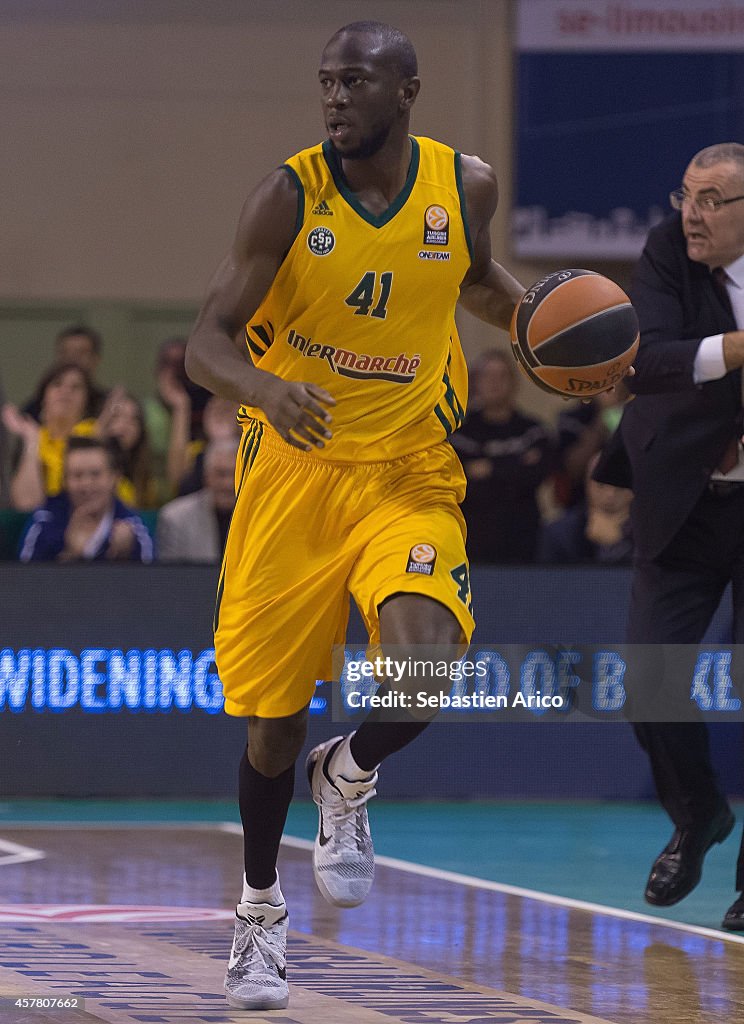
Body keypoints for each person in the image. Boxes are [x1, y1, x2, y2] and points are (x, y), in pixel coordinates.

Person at [185, 21, 524, 1010]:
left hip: (407, 469)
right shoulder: (286, 196)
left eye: (356, 82)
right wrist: (261, 388)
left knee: (427, 665)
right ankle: (258, 913)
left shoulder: (464, 187)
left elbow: (474, 281)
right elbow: (205, 340)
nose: (336, 98)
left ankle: (353, 772)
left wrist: (541, 322)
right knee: (268, 732)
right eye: (326, 82)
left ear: (407, 92)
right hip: (292, 476)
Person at [595, 142, 744, 929]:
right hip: (683, 492)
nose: (693, 213)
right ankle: (698, 816)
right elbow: (646, 359)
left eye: (714, 200)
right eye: (686, 195)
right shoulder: (665, 251)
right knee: (649, 679)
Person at [451, 349, 553, 563]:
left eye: (501, 376)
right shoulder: (460, 433)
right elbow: (459, 481)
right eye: (487, 376)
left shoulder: (533, 431)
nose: (494, 383)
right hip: (472, 541)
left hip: (524, 539)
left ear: (515, 383)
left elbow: (536, 476)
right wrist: (514, 464)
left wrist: (488, 468)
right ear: (475, 382)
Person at [19, 436, 153, 563]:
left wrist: (125, 557)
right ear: (65, 481)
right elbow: (25, 583)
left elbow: (152, 584)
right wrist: (71, 554)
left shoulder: (134, 528)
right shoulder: (44, 523)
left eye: (96, 474)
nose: (86, 484)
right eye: (77, 475)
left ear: (114, 478)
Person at [3, 362, 98, 511]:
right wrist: (32, 443)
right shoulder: (30, 436)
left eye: (76, 387)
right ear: (43, 398)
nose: (66, 391)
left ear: (87, 401)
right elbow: (28, 504)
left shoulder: (96, 437)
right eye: (57, 384)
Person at [539, 454, 633, 564]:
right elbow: (547, 578)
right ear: (587, 485)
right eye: (601, 485)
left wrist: (621, 541)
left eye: (619, 486)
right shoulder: (560, 532)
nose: (610, 494)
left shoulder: (650, 532)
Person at [156, 438, 238, 562]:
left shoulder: (264, 518)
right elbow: (170, 578)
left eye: (236, 474)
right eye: (221, 474)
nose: (228, 484)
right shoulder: (176, 519)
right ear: (206, 476)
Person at [22, 325, 108, 419]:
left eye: (80, 353)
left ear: (95, 359)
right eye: (66, 353)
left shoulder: (107, 406)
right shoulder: (33, 410)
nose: (72, 359)